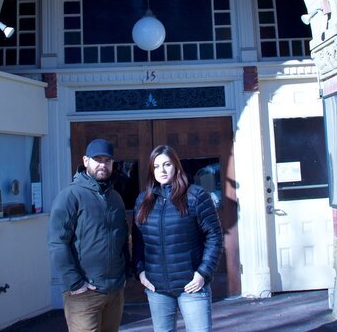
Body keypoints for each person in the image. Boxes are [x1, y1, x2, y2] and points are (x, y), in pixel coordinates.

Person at [132, 145, 224, 332]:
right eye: (156, 166)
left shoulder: (196, 196)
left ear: (176, 166)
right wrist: (140, 272)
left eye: (167, 164)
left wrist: (203, 273)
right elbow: (138, 241)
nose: (162, 170)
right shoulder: (143, 201)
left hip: (191, 286)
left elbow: (214, 236)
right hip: (157, 289)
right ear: (151, 170)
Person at [49, 138, 129, 332]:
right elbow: (57, 243)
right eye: (97, 159)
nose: (103, 164)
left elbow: (122, 238)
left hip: (114, 291)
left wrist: (123, 274)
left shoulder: (115, 198)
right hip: (83, 294)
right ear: (86, 161)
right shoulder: (70, 196)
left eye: (107, 160)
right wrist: (75, 283)